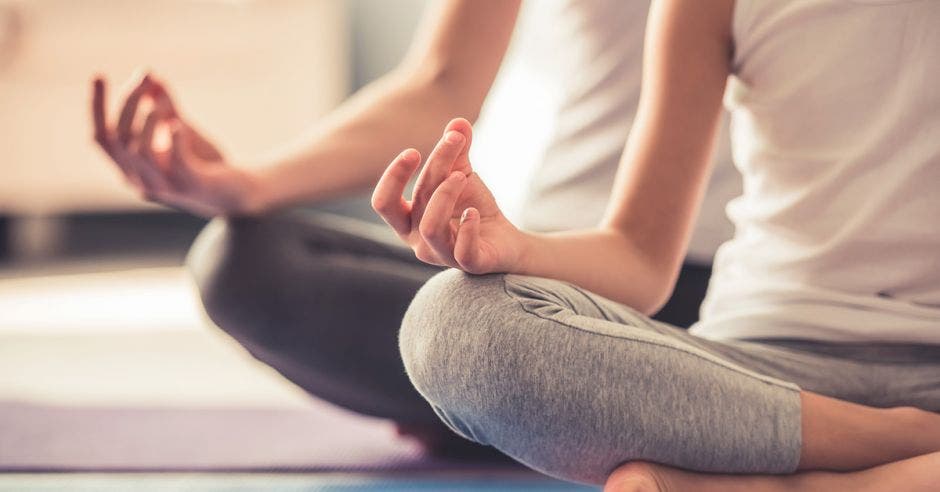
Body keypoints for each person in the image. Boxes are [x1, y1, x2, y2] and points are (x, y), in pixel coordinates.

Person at [90, 0, 737, 457]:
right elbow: (441, 81)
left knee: (475, 332)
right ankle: (516, 413)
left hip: (710, 292)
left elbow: (641, 262)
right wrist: (245, 184)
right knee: (242, 261)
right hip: (541, 271)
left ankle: (506, 415)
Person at [372, 0, 940, 489]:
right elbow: (639, 258)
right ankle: (909, 444)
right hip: (760, 372)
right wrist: (514, 248)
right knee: (455, 323)